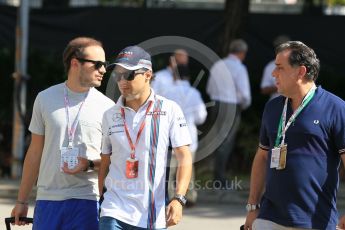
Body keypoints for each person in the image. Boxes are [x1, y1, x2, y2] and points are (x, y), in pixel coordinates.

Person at [10, 37, 115, 229]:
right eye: (98, 64)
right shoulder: (45, 98)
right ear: (75, 63)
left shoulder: (108, 107)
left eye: (105, 64)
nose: (103, 70)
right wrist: (22, 201)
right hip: (48, 198)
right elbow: (35, 152)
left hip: (88, 199)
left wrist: (88, 164)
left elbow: (115, 160)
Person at [244, 41, 345, 230]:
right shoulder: (272, 107)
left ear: (301, 71)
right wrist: (252, 206)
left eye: (280, 68)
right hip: (269, 217)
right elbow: (262, 156)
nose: (274, 74)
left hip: (316, 220)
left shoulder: (336, 108)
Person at [98, 46, 193, 230]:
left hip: (152, 215)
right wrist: (100, 198)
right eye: (118, 75)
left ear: (148, 75)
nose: (122, 81)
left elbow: (184, 156)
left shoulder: (170, 109)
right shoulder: (109, 114)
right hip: (113, 209)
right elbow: (105, 160)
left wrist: (179, 199)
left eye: (129, 75)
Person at [206, 39, 251, 188]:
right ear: (242, 53)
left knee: (217, 140)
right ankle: (220, 179)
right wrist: (242, 105)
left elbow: (209, 88)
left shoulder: (218, 64)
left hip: (216, 104)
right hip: (231, 105)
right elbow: (245, 94)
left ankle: (217, 175)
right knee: (227, 142)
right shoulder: (239, 68)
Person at [163, 64, 207, 206]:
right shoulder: (194, 93)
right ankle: (189, 197)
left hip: (169, 138)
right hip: (189, 137)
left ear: (175, 76)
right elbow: (202, 116)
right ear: (188, 76)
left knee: (169, 170)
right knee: (188, 168)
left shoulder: (167, 92)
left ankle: (169, 197)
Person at [260, 35, 290, 100]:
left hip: (295, 106)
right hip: (277, 106)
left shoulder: (297, 64)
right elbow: (264, 89)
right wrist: (281, 87)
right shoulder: (270, 66)